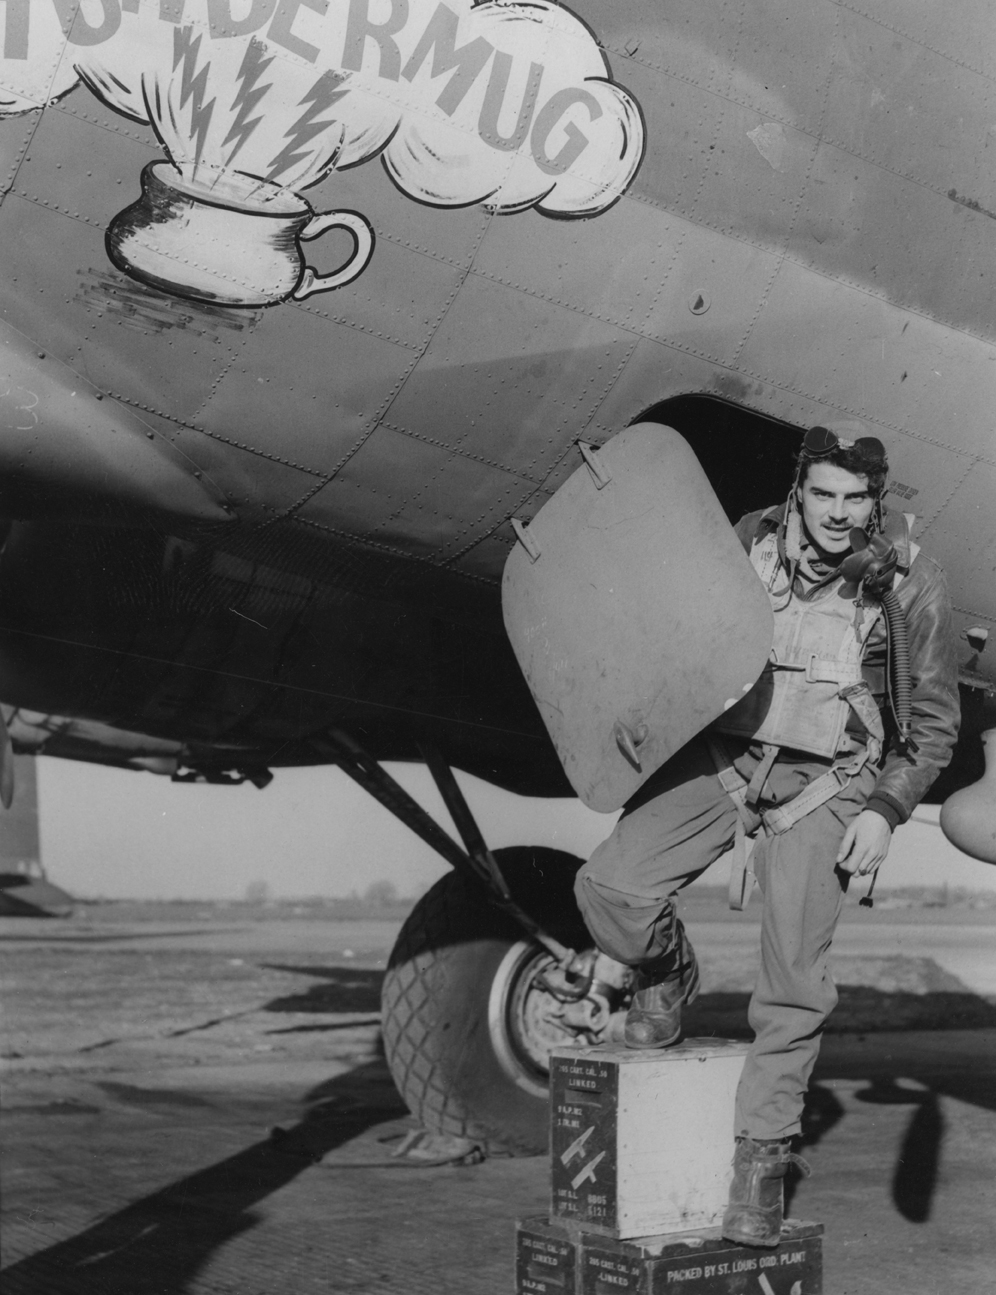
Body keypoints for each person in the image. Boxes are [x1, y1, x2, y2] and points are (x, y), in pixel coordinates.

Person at [574, 423, 959, 1247]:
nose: (838, 514)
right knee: (608, 885)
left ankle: (761, 1160)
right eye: (823, 494)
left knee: (791, 986)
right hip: (725, 762)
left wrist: (883, 811)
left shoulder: (912, 585)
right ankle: (667, 969)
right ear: (799, 490)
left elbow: (931, 727)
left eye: (857, 500)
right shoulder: (750, 541)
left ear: (875, 503)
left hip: (828, 787)